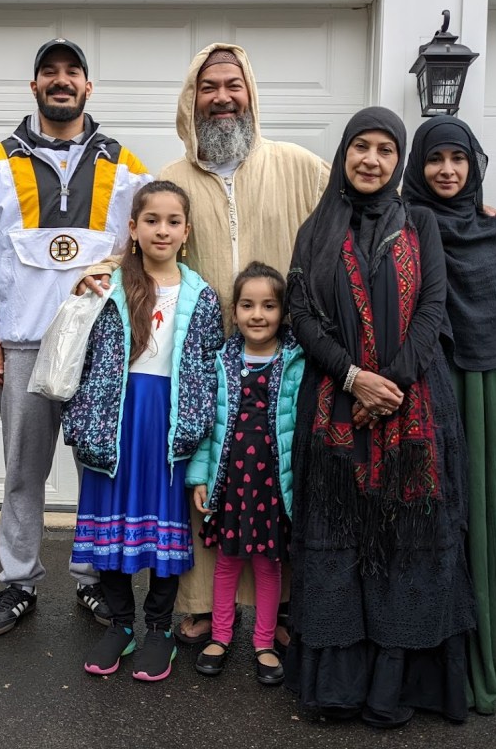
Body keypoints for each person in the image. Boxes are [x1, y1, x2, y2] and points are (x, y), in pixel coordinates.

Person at [84, 43, 329, 649]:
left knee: (276, 476)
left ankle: (282, 606)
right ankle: (196, 606)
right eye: (208, 87)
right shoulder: (171, 179)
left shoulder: (298, 167)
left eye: (233, 85)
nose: (222, 98)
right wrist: (96, 272)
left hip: (280, 363)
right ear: (190, 98)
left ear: (251, 94)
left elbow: (364, 203)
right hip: (201, 368)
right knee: (202, 479)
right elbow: (140, 246)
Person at [285, 107, 477, 727]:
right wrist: (353, 378)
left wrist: (387, 384)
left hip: (413, 411)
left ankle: (395, 690)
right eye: (361, 147)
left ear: (398, 161)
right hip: (333, 410)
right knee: (339, 547)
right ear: (344, 153)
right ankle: (338, 690)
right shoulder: (316, 228)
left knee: (407, 547)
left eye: (386, 150)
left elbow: (432, 308)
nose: (371, 159)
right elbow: (301, 314)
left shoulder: (420, 223)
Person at [0, 38, 152, 636]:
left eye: (72, 72)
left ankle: (93, 579)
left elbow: (146, 247)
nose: (61, 81)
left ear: (88, 87)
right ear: (35, 86)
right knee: (23, 469)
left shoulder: (125, 165)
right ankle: (18, 581)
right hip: (21, 342)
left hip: (99, 347)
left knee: (98, 464)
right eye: (50, 72)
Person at [403, 115, 496, 715]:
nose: (447, 170)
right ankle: (427, 673)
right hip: (423, 392)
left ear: (474, 166)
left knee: (482, 527)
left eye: (458, 159)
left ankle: (489, 667)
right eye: (435, 158)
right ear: (418, 166)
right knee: (425, 527)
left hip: (484, 395)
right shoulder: (405, 226)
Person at [63, 181, 223, 681]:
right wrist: (81, 417)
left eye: (173, 222)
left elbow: (208, 370)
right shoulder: (106, 285)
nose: (162, 230)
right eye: (151, 220)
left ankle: (158, 630)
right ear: (133, 228)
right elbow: (79, 350)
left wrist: (198, 431)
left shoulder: (201, 296)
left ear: (186, 232)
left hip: (166, 426)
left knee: (162, 527)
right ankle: (120, 625)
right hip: (113, 420)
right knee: (110, 523)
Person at [188, 261, 304, 686]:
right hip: (230, 485)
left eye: (269, 306)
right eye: (248, 305)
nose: (258, 315)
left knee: (269, 566)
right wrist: (199, 478)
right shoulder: (220, 361)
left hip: (273, 485)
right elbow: (208, 427)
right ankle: (220, 636)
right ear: (234, 311)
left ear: (283, 312)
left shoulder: (295, 362)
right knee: (227, 562)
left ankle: (263, 642)